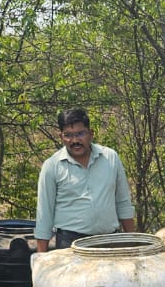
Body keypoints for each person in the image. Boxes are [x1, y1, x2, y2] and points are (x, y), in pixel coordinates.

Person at [35, 108, 136, 252]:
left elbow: (123, 204)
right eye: (68, 135)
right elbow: (44, 217)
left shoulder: (110, 158)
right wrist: (41, 261)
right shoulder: (52, 166)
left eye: (80, 134)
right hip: (70, 245)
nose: (75, 140)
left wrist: (133, 244)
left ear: (91, 134)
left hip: (110, 242)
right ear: (61, 137)